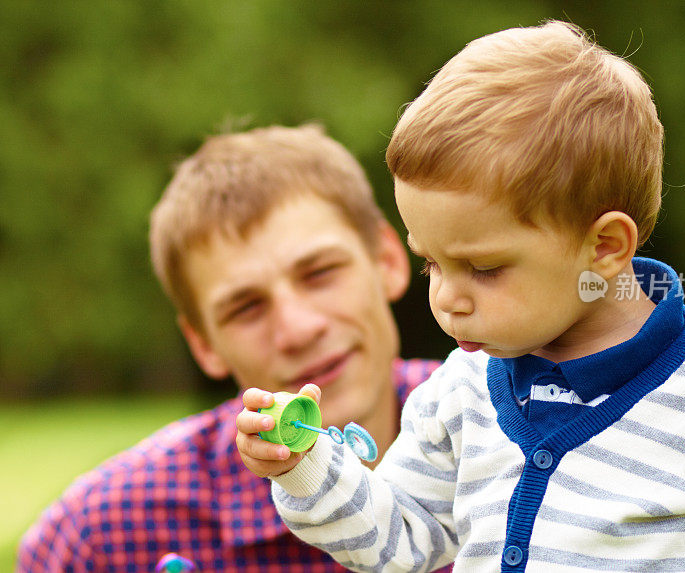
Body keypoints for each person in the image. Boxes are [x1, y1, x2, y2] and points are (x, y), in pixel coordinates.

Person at [235, 21, 685, 571]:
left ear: (603, 246)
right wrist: (306, 466)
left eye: (482, 268)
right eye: (430, 262)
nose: (446, 300)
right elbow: (400, 540)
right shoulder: (460, 391)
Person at [16, 125, 442, 571]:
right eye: (246, 307)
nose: (298, 329)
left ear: (388, 261)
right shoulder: (98, 537)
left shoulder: (504, 431)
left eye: (319, 273)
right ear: (203, 345)